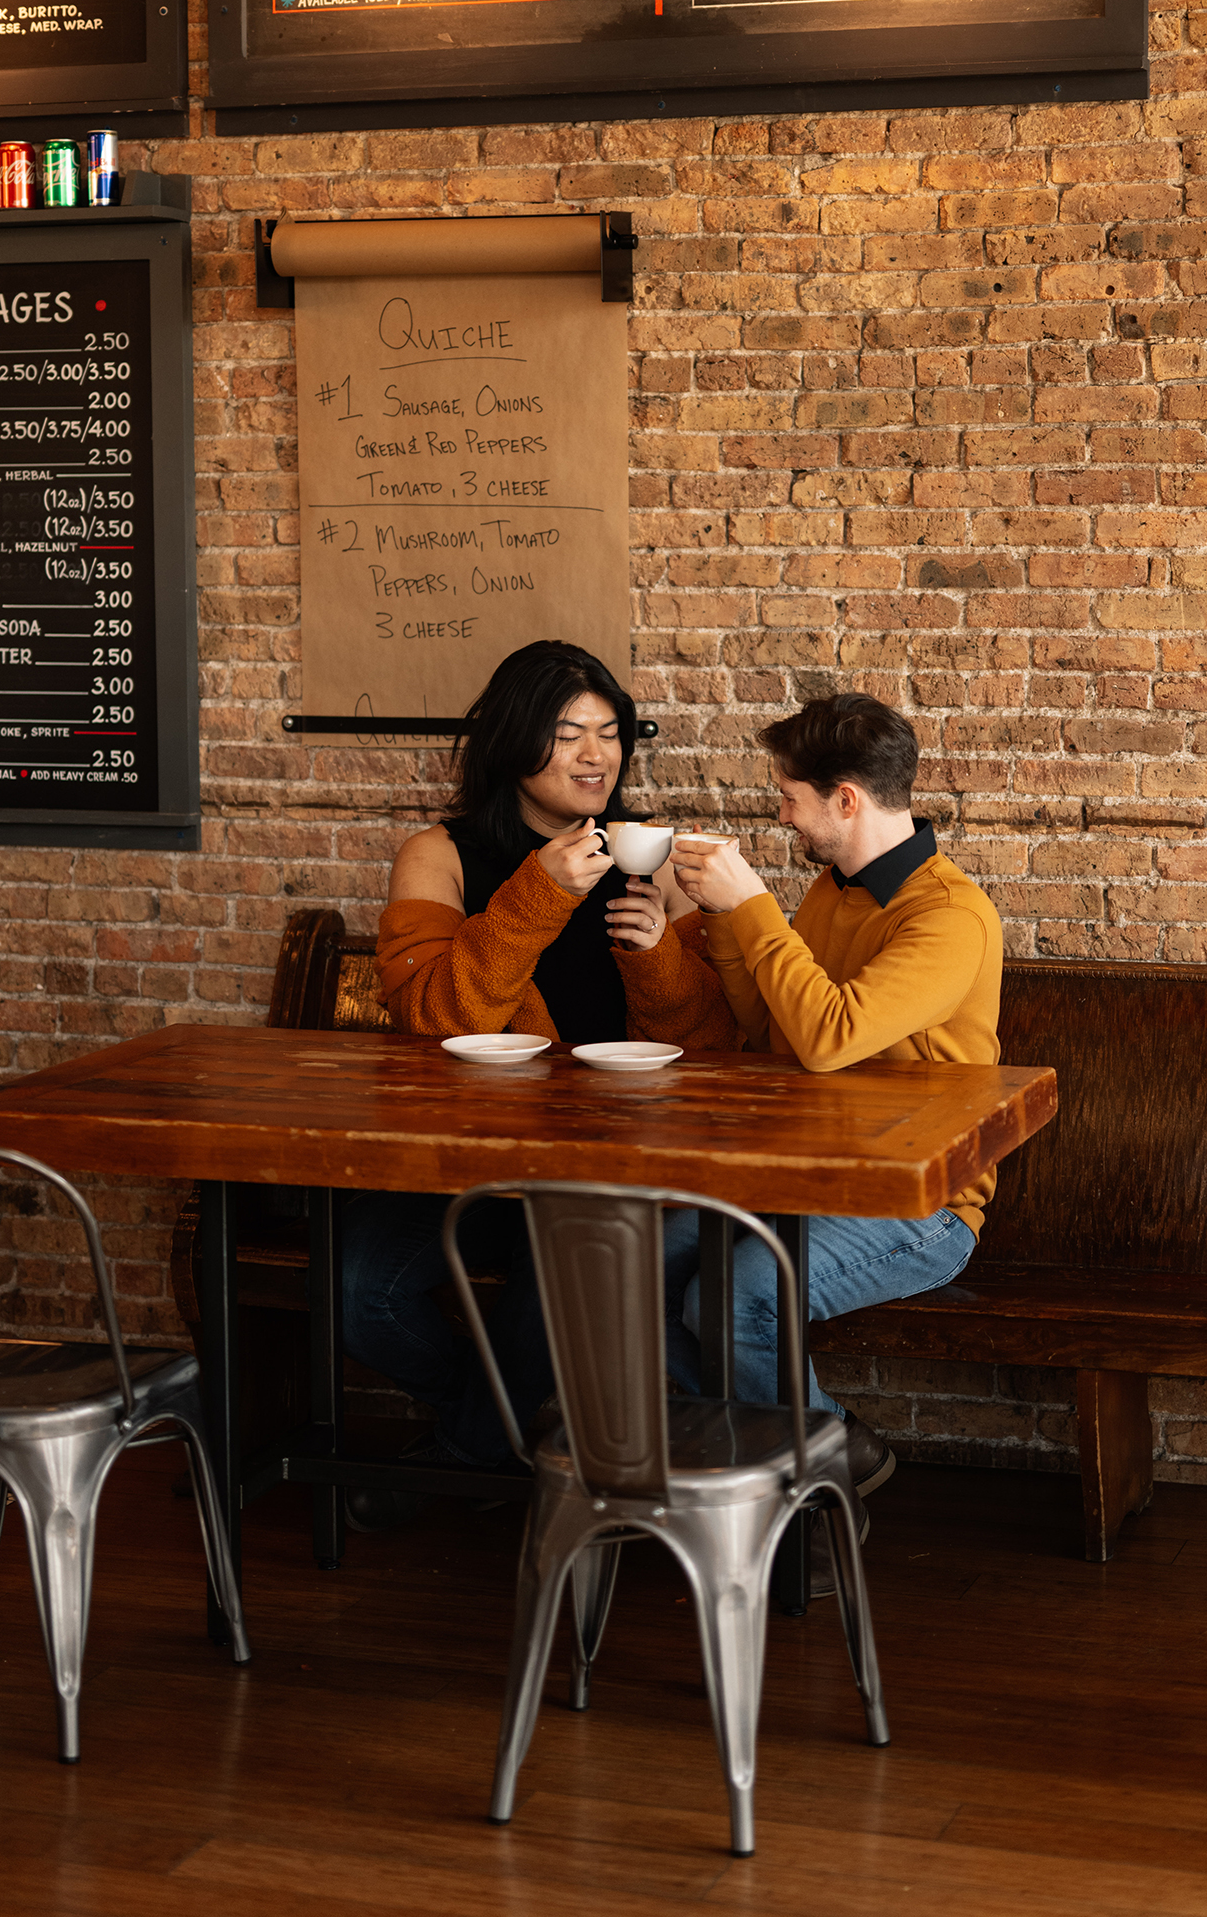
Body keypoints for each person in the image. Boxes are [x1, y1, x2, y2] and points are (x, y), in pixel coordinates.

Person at [341, 641, 734, 1517]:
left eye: (610, 733)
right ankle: (491, 1438)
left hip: (607, 1165)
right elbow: (428, 1017)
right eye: (567, 734)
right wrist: (533, 896)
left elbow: (709, 1048)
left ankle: (466, 1453)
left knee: (549, 1296)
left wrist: (660, 956)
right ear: (515, 742)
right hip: (462, 1159)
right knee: (357, 1290)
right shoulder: (437, 856)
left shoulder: (652, 859)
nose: (596, 755)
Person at [669, 690, 1002, 1593]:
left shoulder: (949, 918)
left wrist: (755, 910)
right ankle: (789, 1469)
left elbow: (829, 1036)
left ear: (844, 799)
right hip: (809, 1174)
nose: (781, 812)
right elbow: (768, 1031)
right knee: (641, 1254)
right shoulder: (829, 893)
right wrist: (720, 918)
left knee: (731, 1298)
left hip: (918, 1202)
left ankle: (814, 1496)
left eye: (789, 795)